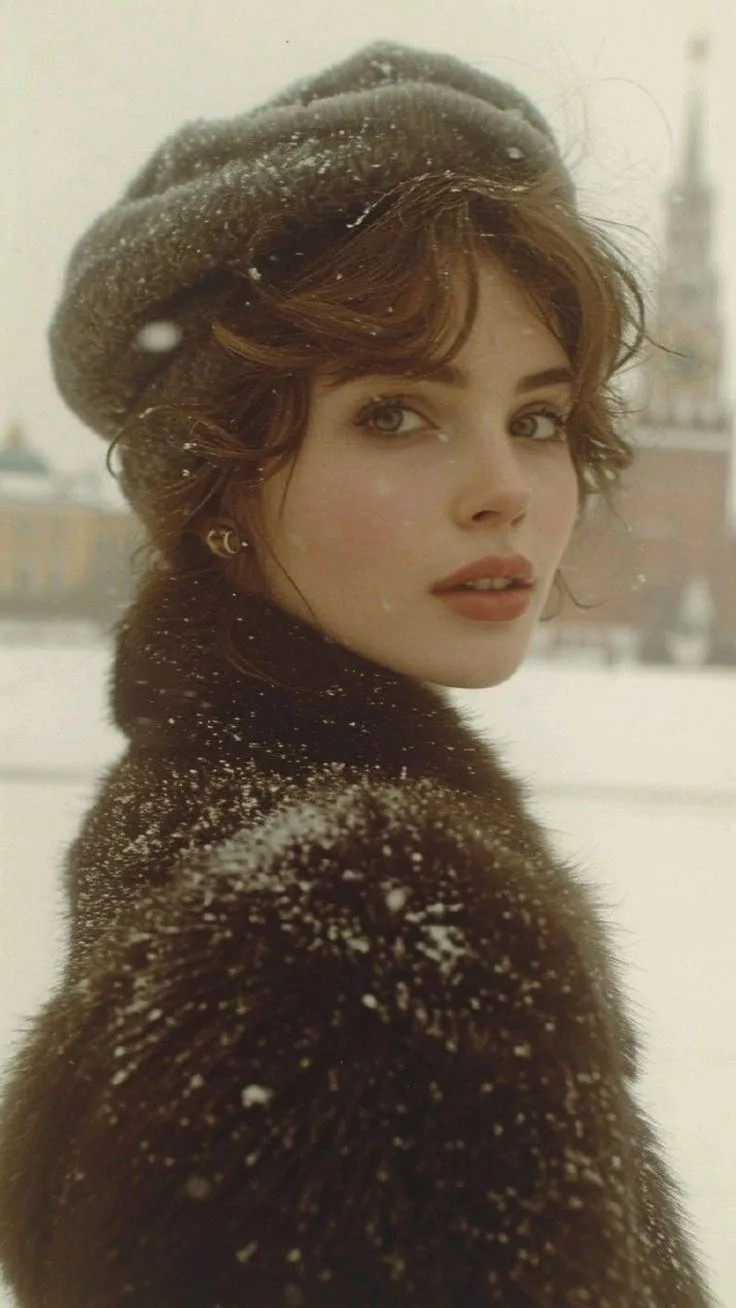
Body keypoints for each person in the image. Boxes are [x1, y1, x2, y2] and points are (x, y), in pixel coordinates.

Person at [0, 41, 716, 1308]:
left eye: (537, 418)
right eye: (396, 412)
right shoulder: (363, 934)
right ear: (218, 478)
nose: (507, 489)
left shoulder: (199, 822)